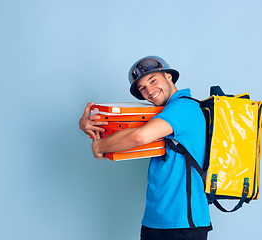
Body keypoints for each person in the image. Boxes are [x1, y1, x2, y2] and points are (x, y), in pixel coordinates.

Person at [79, 56, 211, 240]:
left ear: (168, 76)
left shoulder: (183, 107)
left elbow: (139, 136)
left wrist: (100, 146)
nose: (149, 91)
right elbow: (121, 134)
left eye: (153, 80)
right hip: (155, 220)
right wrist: (88, 126)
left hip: (183, 223)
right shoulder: (161, 114)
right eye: (142, 88)